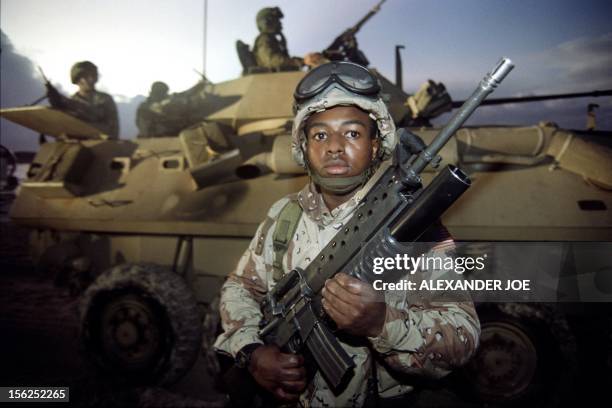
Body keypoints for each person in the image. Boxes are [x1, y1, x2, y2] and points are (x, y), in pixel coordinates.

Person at [214, 61, 480, 406]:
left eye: (352, 133)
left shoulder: (411, 226)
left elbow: (463, 338)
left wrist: (382, 323)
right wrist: (252, 352)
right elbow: (240, 288)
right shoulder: (284, 216)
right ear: (304, 148)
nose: (334, 146)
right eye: (320, 134)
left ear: (375, 144)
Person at [46, 61, 119, 139]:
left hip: (101, 145)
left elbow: (112, 130)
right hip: (75, 144)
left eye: (93, 76)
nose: (90, 79)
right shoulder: (70, 102)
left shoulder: (105, 99)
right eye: (86, 76)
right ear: (77, 79)